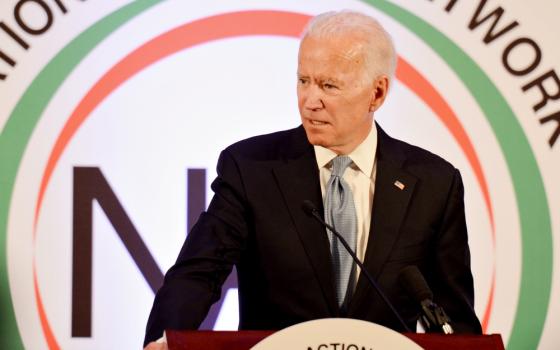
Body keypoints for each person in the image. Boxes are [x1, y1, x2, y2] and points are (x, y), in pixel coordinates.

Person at [144, 10, 482, 349]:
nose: (310, 101)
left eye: (328, 86)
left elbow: (452, 313)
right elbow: (199, 273)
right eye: (303, 80)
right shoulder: (251, 168)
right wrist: (163, 339)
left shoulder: (433, 184)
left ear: (376, 94)